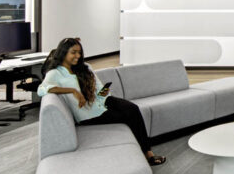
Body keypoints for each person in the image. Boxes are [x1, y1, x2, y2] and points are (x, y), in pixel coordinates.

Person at [37, 37, 165, 166]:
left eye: (79, 52)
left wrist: (104, 93)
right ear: (63, 53)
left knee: (133, 108)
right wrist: (72, 91)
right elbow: (42, 89)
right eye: (73, 52)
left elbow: (99, 88)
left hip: (101, 101)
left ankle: (148, 153)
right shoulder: (55, 73)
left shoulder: (85, 67)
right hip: (89, 114)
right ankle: (145, 155)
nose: (78, 56)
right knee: (127, 117)